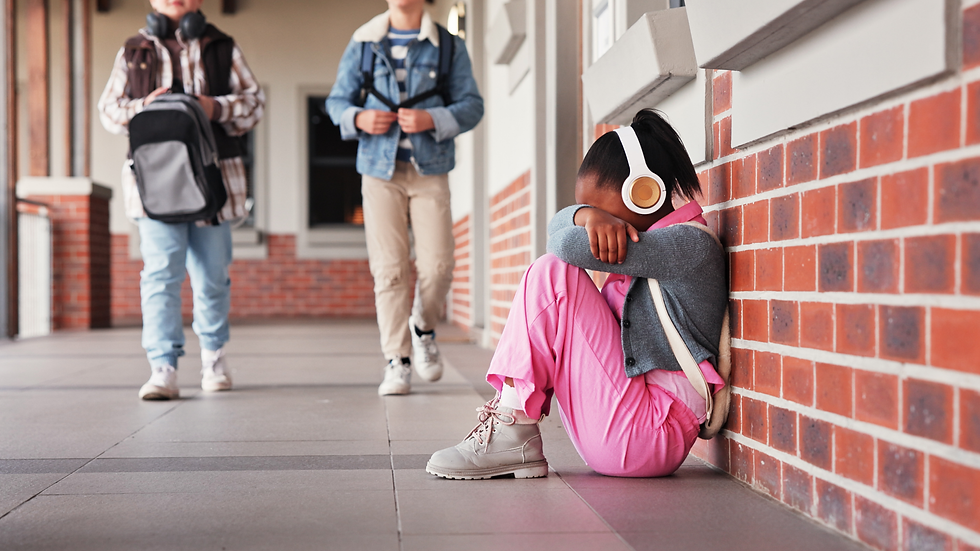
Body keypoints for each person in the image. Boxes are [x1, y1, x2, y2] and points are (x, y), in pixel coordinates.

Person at [426, 109, 729, 479]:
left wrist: (581, 221)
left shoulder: (686, 246)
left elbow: (564, 248)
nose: (596, 223)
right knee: (553, 268)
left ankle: (512, 430)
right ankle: (512, 427)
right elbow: (560, 232)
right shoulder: (655, 248)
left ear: (644, 193)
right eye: (590, 212)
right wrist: (585, 214)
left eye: (600, 209)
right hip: (627, 426)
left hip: (649, 435)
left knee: (553, 272)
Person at [98, 0, 264, 400]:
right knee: (160, 275)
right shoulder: (133, 50)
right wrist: (147, 107)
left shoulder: (222, 46)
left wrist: (214, 107)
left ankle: (214, 358)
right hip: (154, 185)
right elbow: (109, 111)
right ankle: (163, 368)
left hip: (214, 184)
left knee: (212, 277)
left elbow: (254, 104)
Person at [326, 0, 484, 396]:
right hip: (379, 173)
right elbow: (337, 102)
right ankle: (397, 360)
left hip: (430, 170)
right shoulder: (363, 42)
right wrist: (359, 118)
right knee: (390, 269)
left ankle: (424, 327)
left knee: (438, 265)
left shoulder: (448, 45)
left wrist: (432, 119)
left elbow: (472, 106)